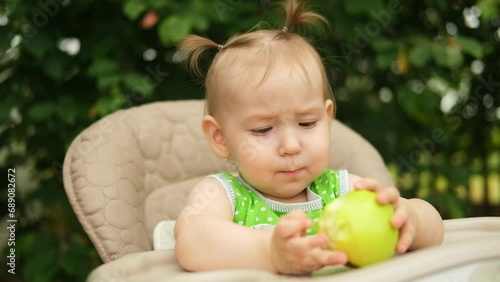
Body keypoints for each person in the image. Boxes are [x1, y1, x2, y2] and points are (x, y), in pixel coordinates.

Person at [174, 0, 444, 275]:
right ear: (220, 138)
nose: (291, 146)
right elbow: (191, 240)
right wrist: (269, 252)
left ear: (327, 118)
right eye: (263, 130)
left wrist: (409, 218)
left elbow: (435, 229)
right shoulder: (224, 195)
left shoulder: (341, 191)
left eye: (306, 123)